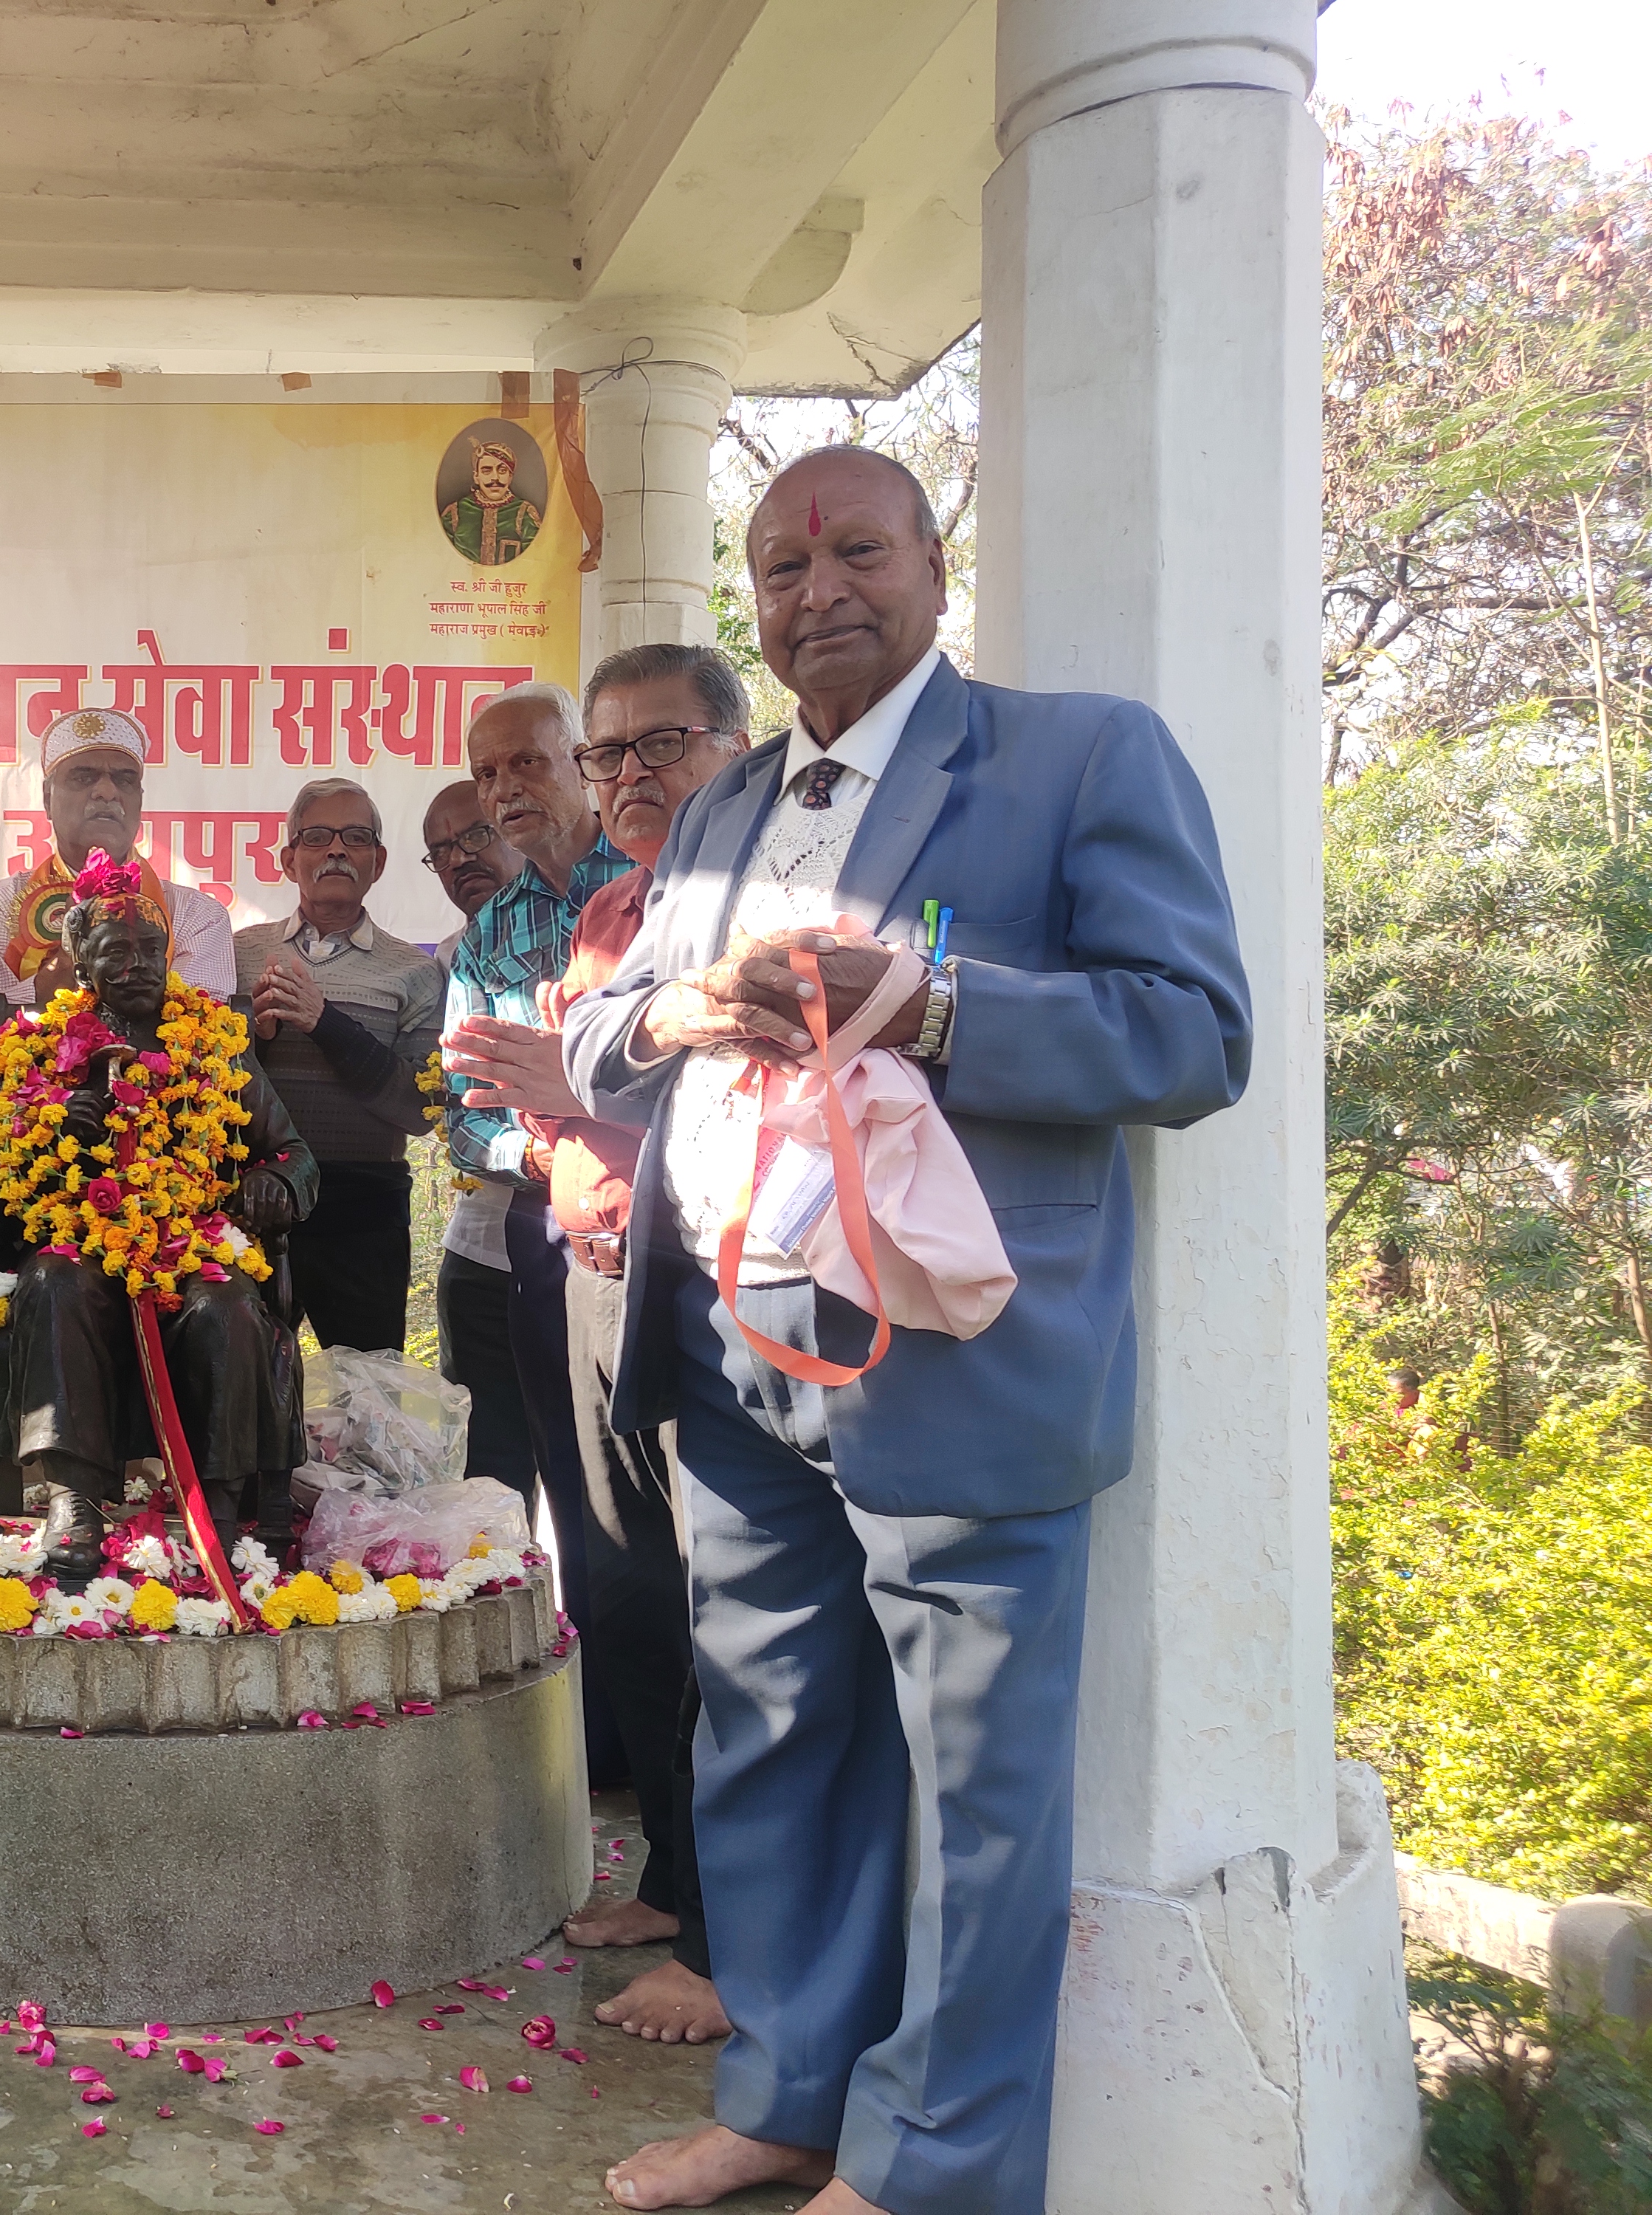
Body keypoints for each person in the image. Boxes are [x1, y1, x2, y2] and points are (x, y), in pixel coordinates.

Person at [562, 446, 1250, 2214]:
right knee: (769, 1727)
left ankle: (931, 2166)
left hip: (953, 1353)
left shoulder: (1075, 757)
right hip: (732, 1346)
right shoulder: (716, 810)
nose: (818, 590)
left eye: (856, 549)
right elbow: (598, 1041)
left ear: (934, 565)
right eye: (781, 565)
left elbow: (1191, 1033)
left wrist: (934, 1005)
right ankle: (785, 2095)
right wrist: (669, 1021)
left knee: (974, 1788)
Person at [444, 643, 751, 2053]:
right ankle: (676, 1879)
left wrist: (573, 1095)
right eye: (610, 757)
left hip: (712, 1274)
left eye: (658, 749)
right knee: (619, 1577)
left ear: (733, 750)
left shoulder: (748, 895)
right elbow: (486, 1109)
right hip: (577, 1259)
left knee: (731, 1600)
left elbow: (733, 1094)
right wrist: (553, 1116)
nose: (627, 779)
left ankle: (732, 1918)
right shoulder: (593, 913)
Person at [0, 854, 317, 1580]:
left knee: (226, 1305)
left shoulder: (218, 1042)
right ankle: (72, 1500)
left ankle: (216, 1507)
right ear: (77, 959)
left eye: (150, 950)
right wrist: (55, 1124)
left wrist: (276, 1184)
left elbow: (293, 1154)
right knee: (56, 1282)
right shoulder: (31, 1048)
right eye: (115, 952)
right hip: (81, 1248)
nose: (138, 965)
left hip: (193, 1248)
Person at [441, 680, 636, 1783]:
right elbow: (466, 1129)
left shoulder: (657, 884)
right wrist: (553, 1152)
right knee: (576, 1492)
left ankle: (684, 1759)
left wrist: (583, 1116)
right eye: (485, 773)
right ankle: (601, 1751)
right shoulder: (489, 938)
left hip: (682, 1234)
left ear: (581, 762)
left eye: (525, 763)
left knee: (673, 1505)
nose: (505, 790)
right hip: (545, 1243)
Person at [233, 777, 442, 1353]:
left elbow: (418, 1109)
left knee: (367, 1395)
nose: (336, 851)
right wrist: (254, 1034)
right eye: (318, 836)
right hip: (252, 1197)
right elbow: (200, 1087)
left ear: (378, 862)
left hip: (363, 1207)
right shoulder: (235, 953)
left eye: (355, 838)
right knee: (244, 1388)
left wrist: (325, 1023)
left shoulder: (416, 973)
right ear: (287, 858)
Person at [0, 704, 235, 1008]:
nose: (106, 791)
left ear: (139, 801)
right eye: (83, 778)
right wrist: (58, 974)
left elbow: (202, 1036)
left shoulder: (197, 917)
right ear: (47, 799)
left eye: (125, 780)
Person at [419, 779, 535, 1497]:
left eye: (474, 836)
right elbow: (449, 1107)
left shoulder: (603, 920)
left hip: (591, 1252)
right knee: (489, 1483)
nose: (460, 858)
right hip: (482, 1247)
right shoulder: (451, 957)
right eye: (440, 852)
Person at [443, 437, 545, 566]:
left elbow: (537, 562)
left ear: (510, 476)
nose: (495, 478)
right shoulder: (454, 513)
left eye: (502, 471)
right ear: (476, 477)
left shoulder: (525, 513)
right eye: (487, 471)